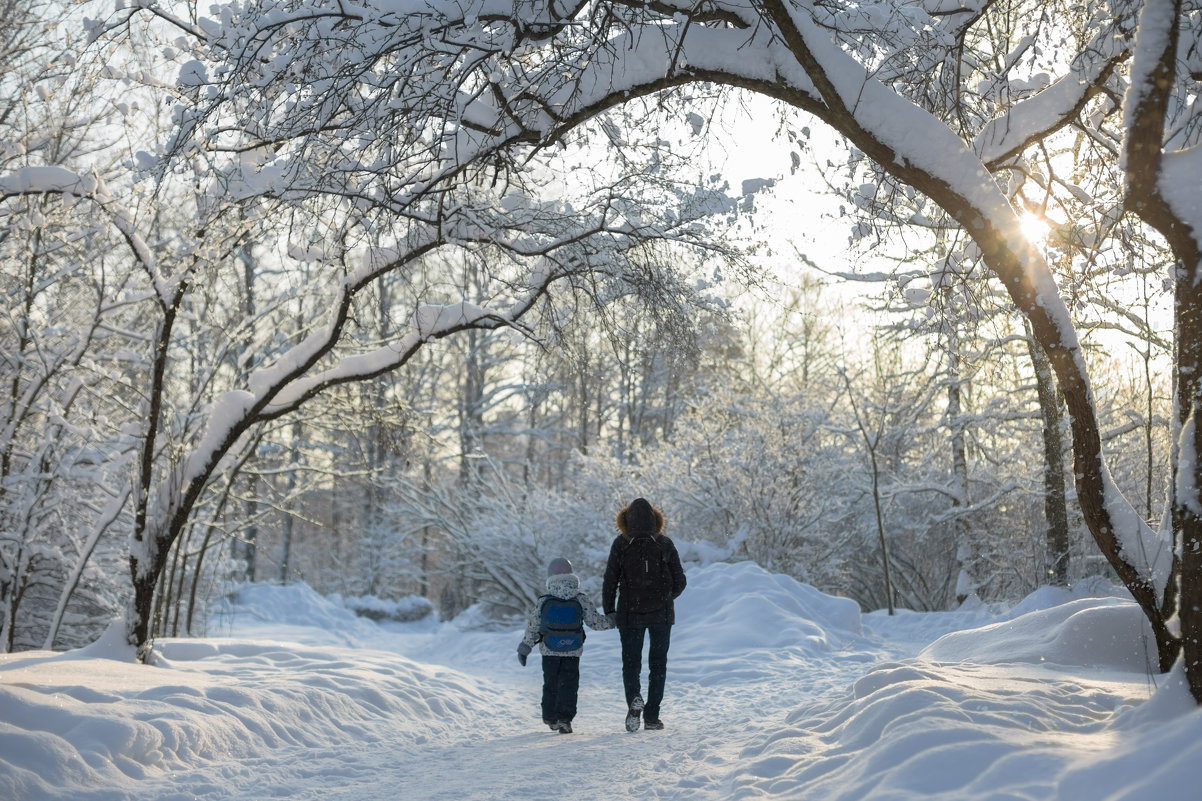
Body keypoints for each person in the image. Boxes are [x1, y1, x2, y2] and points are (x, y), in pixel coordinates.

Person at [602, 497, 687, 732]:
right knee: (658, 665)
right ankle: (651, 717)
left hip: (629, 613)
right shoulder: (665, 543)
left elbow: (610, 580)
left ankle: (634, 700)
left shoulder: (621, 544)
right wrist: (665, 598)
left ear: (626, 520)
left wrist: (610, 610)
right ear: (655, 519)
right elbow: (680, 580)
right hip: (661, 615)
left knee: (631, 664)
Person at [517, 557, 613, 734]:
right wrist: (613, 620)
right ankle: (565, 719)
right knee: (569, 684)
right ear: (571, 574)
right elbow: (595, 622)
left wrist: (525, 646)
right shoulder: (580, 598)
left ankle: (550, 717)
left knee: (551, 683)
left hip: (549, 650)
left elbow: (534, 626)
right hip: (572, 649)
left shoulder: (544, 599)